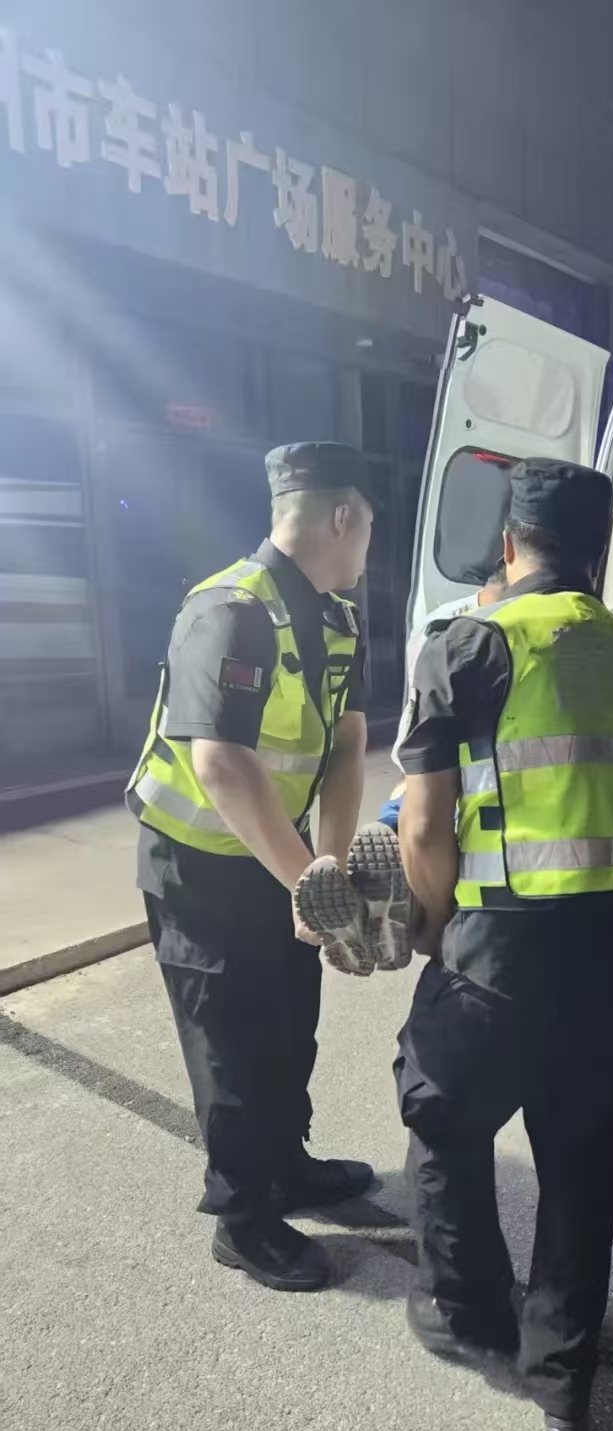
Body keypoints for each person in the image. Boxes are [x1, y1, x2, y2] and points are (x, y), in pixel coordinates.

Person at [394, 458, 613, 1431]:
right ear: (598, 548)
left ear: (509, 543)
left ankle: (466, 1313)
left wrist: (433, 925)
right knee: (584, 1161)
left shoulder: (467, 644)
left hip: (505, 950)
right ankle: (563, 1383)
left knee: (442, 1110)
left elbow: (423, 826)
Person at [126, 441, 377, 1292]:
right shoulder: (229, 610)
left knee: (288, 1023)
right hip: (198, 868)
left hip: (276, 857)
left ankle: (285, 1164)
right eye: (367, 528)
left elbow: (346, 747)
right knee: (230, 1047)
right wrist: (307, 878)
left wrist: (325, 871)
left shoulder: (338, 620)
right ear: (341, 517)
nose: (367, 547)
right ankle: (242, 1218)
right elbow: (221, 763)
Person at [379, 561, 508, 831]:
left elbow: (418, 704)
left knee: (417, 795)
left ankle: (391, 823)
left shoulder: (440, 621)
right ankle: (393, 824)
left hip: (431, 733)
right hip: (464, 736)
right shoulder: (483, 624)